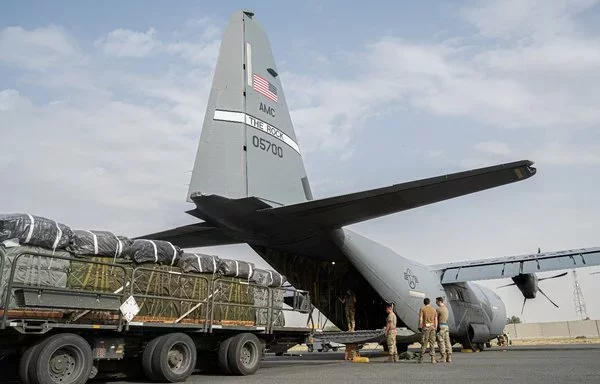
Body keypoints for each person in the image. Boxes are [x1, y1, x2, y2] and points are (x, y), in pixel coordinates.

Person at [418, 297, 437, 363]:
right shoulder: (434, 309)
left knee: (424, 343)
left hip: (425, 327)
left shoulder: (422, 309)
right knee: (432, 343)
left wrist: (419, 326)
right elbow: (436, 319)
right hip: (432, 327)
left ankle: (421, 358)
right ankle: (433, 359)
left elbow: (420, 318)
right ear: (429, 302)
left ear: (424, 302)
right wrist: (435, 327)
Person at [435, 297, 452, 362]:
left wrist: (436, 327)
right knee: (447, 341)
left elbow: (436, 319)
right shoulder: (446, 309)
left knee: (441, 341)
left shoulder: (438, 309)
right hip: (446, 326)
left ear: (439, 301)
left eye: (436, 301)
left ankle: (443, 357)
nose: (436, 303)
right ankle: (449, 357)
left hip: (441, 326)